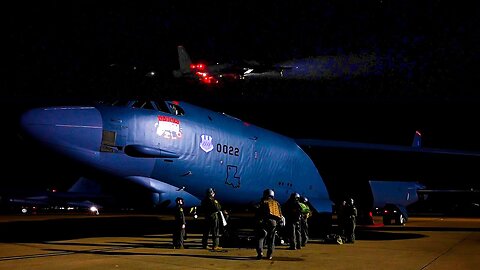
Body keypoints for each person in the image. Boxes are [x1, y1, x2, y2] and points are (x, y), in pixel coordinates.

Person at [255, 188, 284, 260]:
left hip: (264, 222)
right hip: (273, 223)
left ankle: (260, 253)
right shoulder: (276, 203)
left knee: (260, 237)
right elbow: (280, 214)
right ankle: (269, 255)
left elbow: (258, 212)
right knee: (271, 239)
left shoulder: (263, 202)